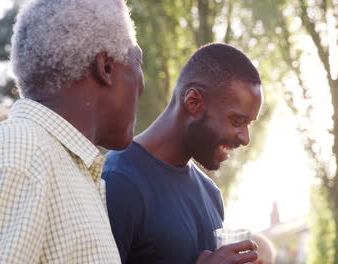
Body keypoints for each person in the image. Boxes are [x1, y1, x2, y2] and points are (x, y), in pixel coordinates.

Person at [0, 0, 144, 262]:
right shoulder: (19, 155)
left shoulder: (62, 166)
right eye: (138, 64)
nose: (142, 87)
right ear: (106, 68)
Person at [103, 43, 263, 264]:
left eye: (249, 125)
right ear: (194, 102)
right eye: (237, 121)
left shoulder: (211, 194)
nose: (245, 138)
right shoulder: (118, 182)